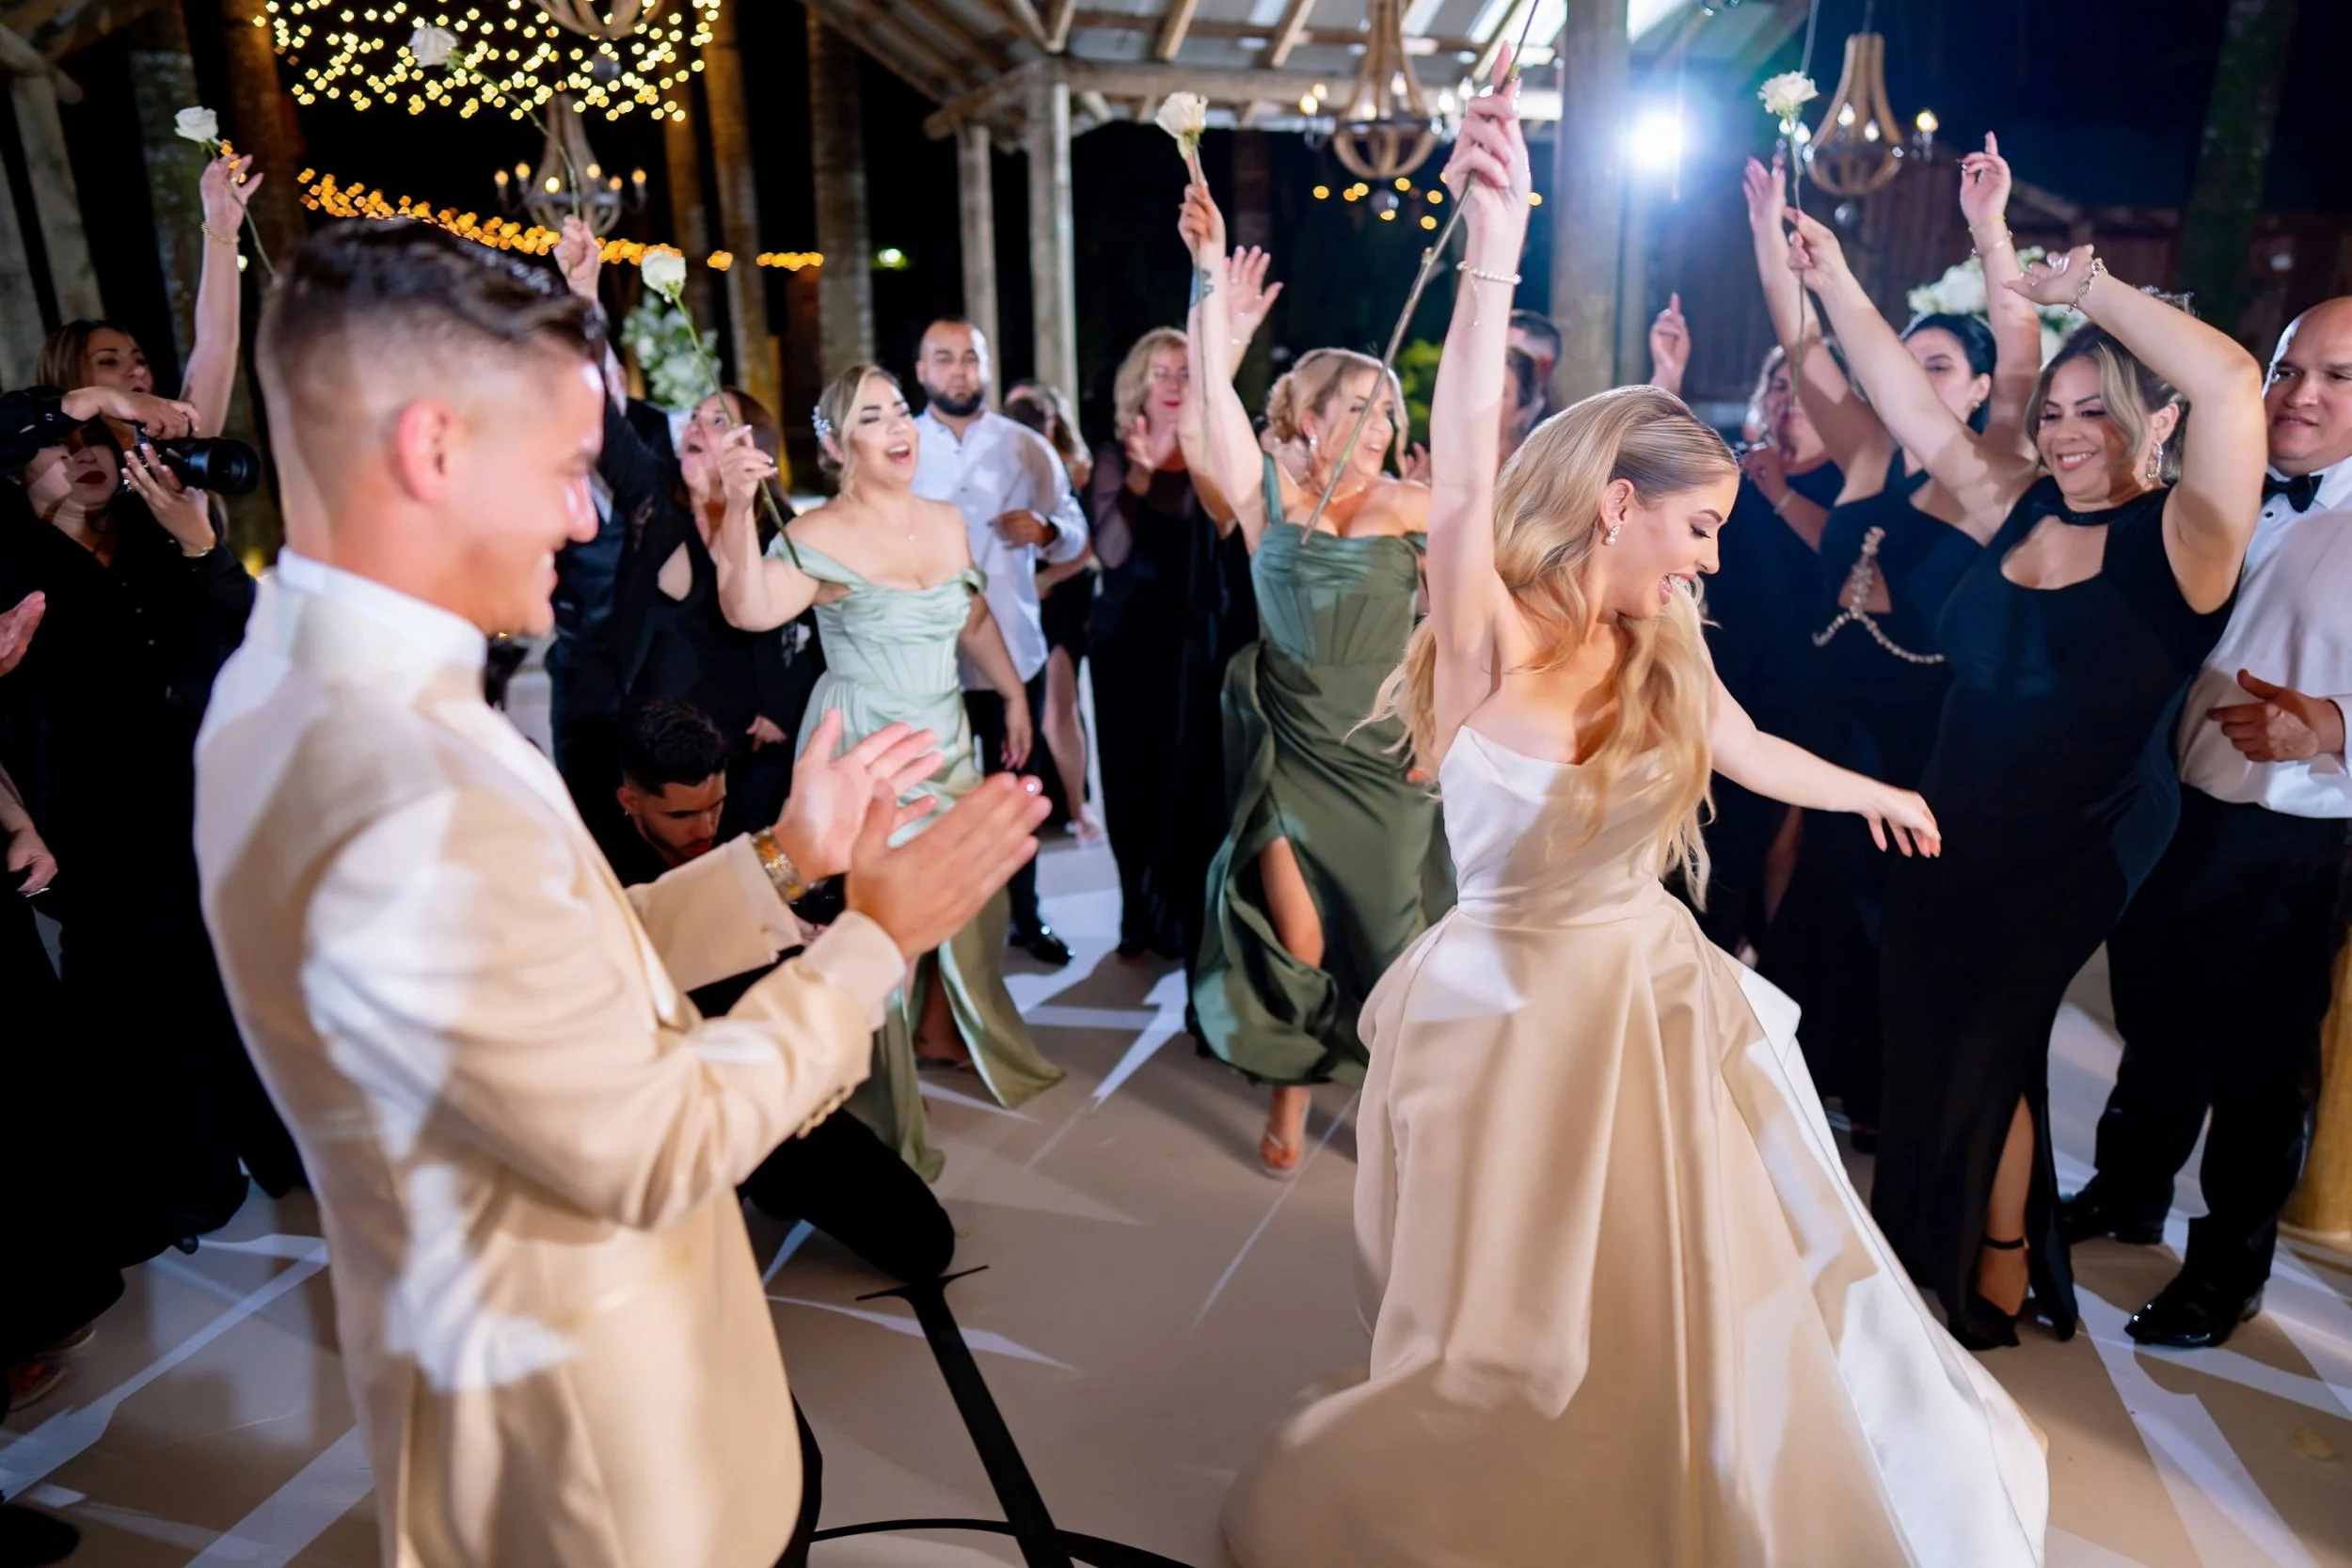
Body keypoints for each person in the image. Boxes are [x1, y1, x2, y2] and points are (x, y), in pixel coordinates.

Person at [1221, 87, 2044, 1568]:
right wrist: (1497, 243)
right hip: (1504, 1013)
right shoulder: (1480, 640)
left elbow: (1745, 744)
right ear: (1614, 506)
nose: (1713, 553)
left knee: (1680, 1286)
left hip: (1652, 1001)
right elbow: (1467, 462)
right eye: (1699, 525)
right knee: (1502, 1304)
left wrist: (1880, 792)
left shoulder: (1667, 642)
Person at [195, 219, 1048, 1568]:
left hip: (643, 1366)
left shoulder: (326, 679)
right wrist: (875, 939)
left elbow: (549, 961)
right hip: (608, 1461)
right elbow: (644, 1137)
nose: (589, 513)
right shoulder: (380, 780)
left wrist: (778, 867)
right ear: (433, 449)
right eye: (566, 464)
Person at [1791, 205, 2267, 1349]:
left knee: (1982, 1036)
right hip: (1952, 817)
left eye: (2094, 411)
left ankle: (1958, 1278)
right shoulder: (2016, 502)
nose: (2063, 434)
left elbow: (2237, 380)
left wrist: (2084, 290)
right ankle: (1987, 1254)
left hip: (2081, 840)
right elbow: (1904, 400)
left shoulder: (2188, 536)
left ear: (2152, 420)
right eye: (2052, 411)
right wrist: (1836, 279)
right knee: (1933, 1041)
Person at [2061, 295, 2352, 1349]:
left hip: (2295, 836)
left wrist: (2326, 722)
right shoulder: (2221, 483)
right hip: (2170, 804)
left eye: (2336, 376)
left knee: (2262, 1067)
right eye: (2287, 368)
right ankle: (2127, 1190)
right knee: (2154, 1016)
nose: (2301, 394)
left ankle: (2227, 1268)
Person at [710, 362, 1066, 1181]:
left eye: (901, 410)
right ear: (838, 444)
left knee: (971, 895)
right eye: (874, 417)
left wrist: (1011, 694)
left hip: (946, 729)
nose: (900, 426)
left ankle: (942, 1034)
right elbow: (748, 607)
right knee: (885, 927)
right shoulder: (817, 535)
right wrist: (734, 507)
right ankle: (871, 1097)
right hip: (870, 746)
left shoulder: (947, 522)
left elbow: (972, 615)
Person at [1758, 137, 2042, 1148]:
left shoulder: (1988, 474)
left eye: (1934, 365)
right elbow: (1805, 354)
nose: (1910, 378)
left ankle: (1884, 1102)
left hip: (1919, 739)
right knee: (1813, 912)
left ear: (1969, 391)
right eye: (1905, 359)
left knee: (1888, 925)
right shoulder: (1873, 453)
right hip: (1836, 721)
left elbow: (2021, 354)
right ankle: (1805, 1086)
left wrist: (1988, 232)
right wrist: (1769, 238)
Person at [1179, 188, 1452, 1175]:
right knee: (1296, 930)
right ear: (1308, 412)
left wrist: (1447, 723)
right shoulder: (1268, 498)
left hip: (1385, 754)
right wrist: (1208, 283)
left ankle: (1403, 1108)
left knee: (1390, 949)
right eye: (1360, 407)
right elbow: (1208, 414)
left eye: (1391, 410)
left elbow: (1475, 613)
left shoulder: (1410, 504)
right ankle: (1293, 1092)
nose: (1380, 424)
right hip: (1290, 742)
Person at [0, 382, 296, 1246]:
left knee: (248, 987)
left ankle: (282, 1150)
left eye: (102, 440)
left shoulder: (158, 539)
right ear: (19, 466)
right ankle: (185, 1187)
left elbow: (247, 640)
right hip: (92, 825)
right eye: (67, 443)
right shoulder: (13, 560)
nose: (90, 454)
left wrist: (204, 545)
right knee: (144, 1015)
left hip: (211, 806)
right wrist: (83, 394)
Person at [607, 698, 956, 1288]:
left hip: (780, 1089)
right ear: (630, 800)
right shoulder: (595, 869)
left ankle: (775, 1179)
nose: (703, 828)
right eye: (681, 815)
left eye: (714, 806)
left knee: (925, 1244)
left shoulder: (757, 829)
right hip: (674, 1112)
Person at [913, 319, 1090, 968]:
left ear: (985, 367)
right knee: (942, 790)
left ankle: (1025, 914)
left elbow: (1075, 528)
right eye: (944, 359)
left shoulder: (1025, 446)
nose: (958, 370)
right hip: (930, 654)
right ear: (921, 370)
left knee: (1017, 789)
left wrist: (1046, 532)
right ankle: (953, 919)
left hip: (1014, 644)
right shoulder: (899, 445)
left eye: (969, 358)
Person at [38, 153, 262, 441]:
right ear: (67, 375)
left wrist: (220, 225)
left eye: (140, 360)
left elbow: (216, 341)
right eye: (108, 362)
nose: (137, 371)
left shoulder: (175, 450)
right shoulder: (41, 460)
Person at [1003, 378, 1101, 844]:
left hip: (1063, 596)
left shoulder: (1075, 468)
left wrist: (1046, 579)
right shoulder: (1007, 466)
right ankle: (1051, 805)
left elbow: (1087, 546)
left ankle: (1079, 810)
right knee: (1037, 708)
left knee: (1058, 710)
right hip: (1025, 599)